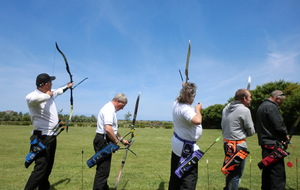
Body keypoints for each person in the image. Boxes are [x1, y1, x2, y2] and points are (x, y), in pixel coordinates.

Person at [24, 73, 73, 190]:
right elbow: (33, 100)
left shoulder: (50, 93)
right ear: (46, 84)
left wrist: (68, 86)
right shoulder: (32, 96)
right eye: (50, 82)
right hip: (41, 138)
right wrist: (48, 95)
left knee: (48, 168)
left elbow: (59, 91)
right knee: (40, 169)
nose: (52, 84)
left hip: (51, 137)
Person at [168, 82, 203, 190]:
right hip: (186, 149)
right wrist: (198, 110)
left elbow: (183, 93)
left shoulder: (176, 103)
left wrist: (185, 86)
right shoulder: (185, 108)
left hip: (178, 145)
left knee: (176, 174)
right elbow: (197, 120)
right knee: (188, 178)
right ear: (191, 96)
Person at [93, 93, 130, 190]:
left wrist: (121, 139)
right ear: (118, 101)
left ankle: (104, 188)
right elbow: (108, 129)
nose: (122, 108)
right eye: (123, 105)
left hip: (104, 139)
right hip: (103, 140)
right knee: (103, 170)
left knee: (104, 168)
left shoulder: (111, 109)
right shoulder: (109, 109)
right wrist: (115, 141)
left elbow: (113, 129)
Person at [221, 89, 255, 190]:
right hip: (238, 146)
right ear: (244, 98)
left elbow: (223, 125)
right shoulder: (245, 110)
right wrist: (243, 133)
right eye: (250, 97)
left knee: (230, 171)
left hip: (227, 144)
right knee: (236, 175)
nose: (251, 99)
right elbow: (251, 131)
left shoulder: (226, 108)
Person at [256, 90, 289, 190]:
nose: (281, 104)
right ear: (277, 98)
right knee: (277, 174)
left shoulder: (262, 106)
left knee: (267, 171)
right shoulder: (272, 107)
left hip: (265, 143)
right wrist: (285, 136)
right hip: (273, 144)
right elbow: (278, 125)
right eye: (281, 101)